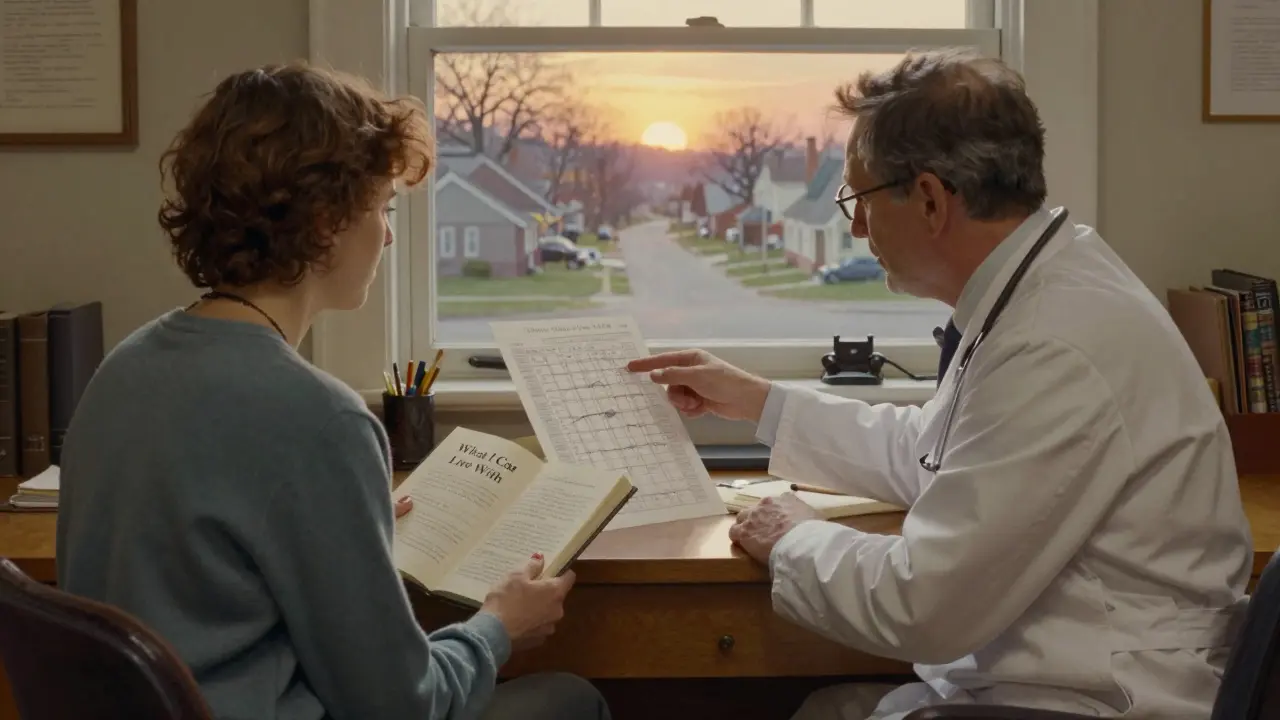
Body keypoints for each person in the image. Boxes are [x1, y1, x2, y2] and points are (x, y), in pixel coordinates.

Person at [629, 48, 1252, 719]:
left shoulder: (1054, 342)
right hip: (1045, 679)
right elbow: (940, 452)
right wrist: (760, 403)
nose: (856, 227)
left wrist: (793, 536)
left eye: (859, 200)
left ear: (929, 199)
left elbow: (923, 606)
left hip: (1088, 700)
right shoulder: (1045, 290)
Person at [55, 62, 609, 720]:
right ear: (325, 223)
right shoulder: (320, 419)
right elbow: (399, 706)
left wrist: (344, 520)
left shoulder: (125, 367)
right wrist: (497, 628)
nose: (389, 233)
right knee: (571, 698)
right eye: (382, 208)